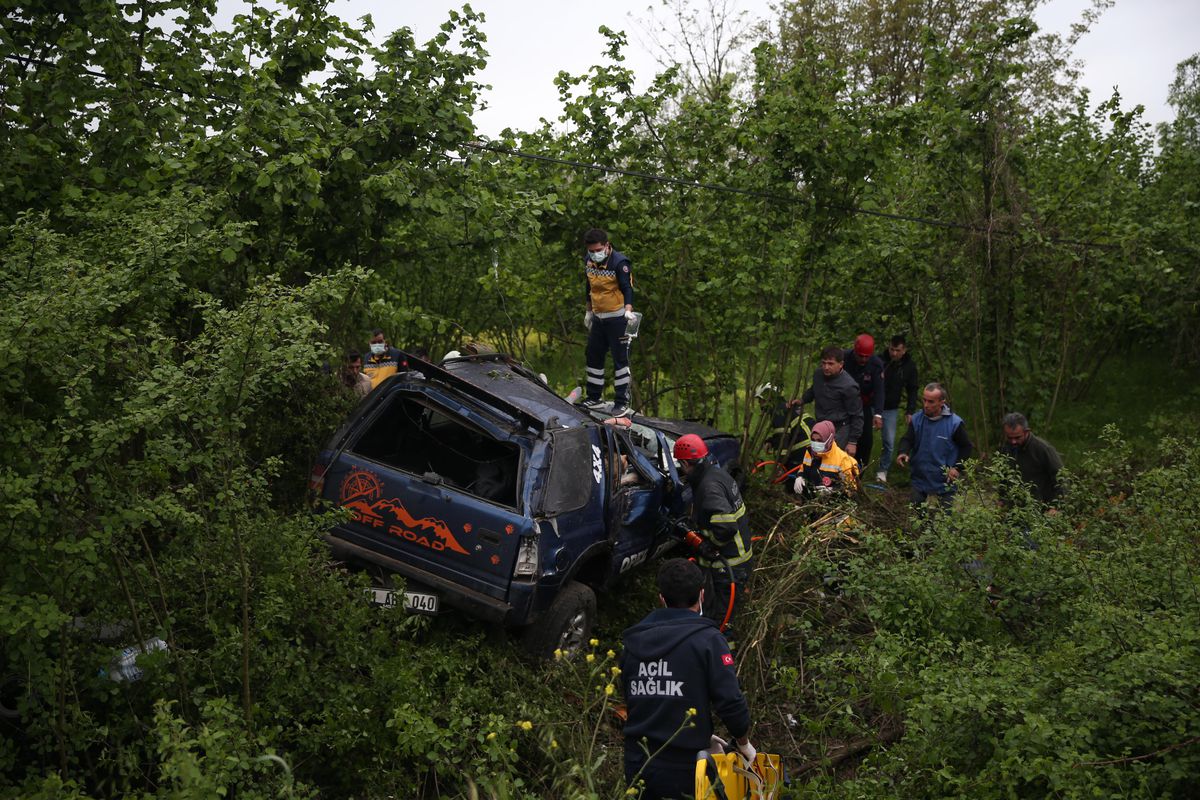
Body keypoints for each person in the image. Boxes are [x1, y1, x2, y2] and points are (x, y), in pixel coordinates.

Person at [622, 558, 755, 800]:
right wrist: (743, 742)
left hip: (638, 760)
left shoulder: (633, 641)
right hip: (683, 766)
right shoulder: (708, 640)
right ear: (702, 595)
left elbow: (638, 698)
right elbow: (730, 701)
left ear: (661, 598)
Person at [672, 434, 753, 638]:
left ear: (684, 463)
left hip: (729, 564)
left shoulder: (709, 488)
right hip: (735, 560)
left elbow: (726, 527)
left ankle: (723, 661)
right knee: (722, 617)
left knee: (721, 624)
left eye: (680, 466)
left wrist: (706, 546)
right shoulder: (716, 473)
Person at [580, 228, 635, 417]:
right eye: (592, 251)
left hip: (618, 318)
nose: (595, 254)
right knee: (593, 356)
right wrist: (588, 311)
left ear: (607, 245)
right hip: (598, 318)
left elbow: (627, 288)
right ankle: (593, 397)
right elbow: (589, 287)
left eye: (598, 250)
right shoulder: (588, 261)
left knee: (620, 359)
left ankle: (622, 402)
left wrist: (628, 310)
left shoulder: (620, 263)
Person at [896, 383, 973, 508]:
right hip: (920, 477)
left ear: (942, 402)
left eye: (931, 402)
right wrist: (903, 452)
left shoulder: (954, 423)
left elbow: (966, 447)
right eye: (924, 400)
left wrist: (957, 468)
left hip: (945, 480)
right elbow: (907, 439)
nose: (926, 405)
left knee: (946, 520)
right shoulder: (916, 419)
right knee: (917, 515)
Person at [795, 346, 863, 455]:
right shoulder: (818, 374)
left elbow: (857, 415)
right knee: (817, 459)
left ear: (841, 364)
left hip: (840, 429)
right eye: (824, 363)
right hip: (821, 426)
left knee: (833, 463)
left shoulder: (849, 386)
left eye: (831, 364)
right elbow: (814, 390)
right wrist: (802, 400)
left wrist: (852, 442)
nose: (826, 367)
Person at [1000, 412, 1064, 511]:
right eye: (1009, 437)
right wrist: (1002, 500)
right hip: (1016, 510)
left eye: (1017, 437)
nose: (1013, 442)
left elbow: (1061, 478)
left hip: (1042, 509)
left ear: (1027, 432)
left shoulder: (1043, 449)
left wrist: (1056, 507)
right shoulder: (1006, 448)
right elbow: (1003, 477)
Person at [878, 335, 919, 484]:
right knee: (862, 437)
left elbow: (912, 389)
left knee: (888, 441)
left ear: (904, 350)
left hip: (891, 408)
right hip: (872, 405)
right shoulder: (879, 361)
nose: (894, 353)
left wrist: (910, 410)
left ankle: (882, 471)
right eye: (891, 349)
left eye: (897, 350)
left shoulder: (909, 366)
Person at [842, 334, 885, 472]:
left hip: (863, 406)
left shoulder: (876, 364)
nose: (863, 359)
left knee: (865, 441)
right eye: (861, 356)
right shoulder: (843, 358)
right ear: (854, 351)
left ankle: (858, 474)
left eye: (867, 356)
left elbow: (879, 390)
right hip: (843, 405)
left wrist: (878, 414)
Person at [754, 382, 813, 472]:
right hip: (814, 448)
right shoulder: (786, 407)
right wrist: (771, 441)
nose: (760, 404)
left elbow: (781, 441)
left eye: (761, 400)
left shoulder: (778, 412)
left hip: (802, 452)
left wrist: (780, 465)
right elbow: (787, 432)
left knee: (791, 482)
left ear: (769, 399)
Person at [793, 420, 860, 496]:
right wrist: (800, 477)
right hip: (811, 501)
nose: (816, 444)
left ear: (829, 439)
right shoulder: (809, 452)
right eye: (813, 440)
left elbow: (851, 489)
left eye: (819, 440)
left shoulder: (842, 459)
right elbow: (803, 469)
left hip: (834, 505)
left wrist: (832, 491)